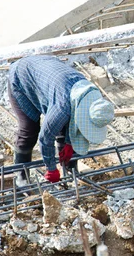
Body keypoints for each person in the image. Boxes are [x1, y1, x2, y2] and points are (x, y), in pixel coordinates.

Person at [8, 55, 115, 183]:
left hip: (50, 80)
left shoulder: (91, 95)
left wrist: (69, 143)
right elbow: (45, 138)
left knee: (64, 125)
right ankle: (21, 174)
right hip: (22, 76)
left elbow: (75, 121)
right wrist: (51, 169)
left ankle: (70, 168)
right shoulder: (63, 107)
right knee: (29, 129)